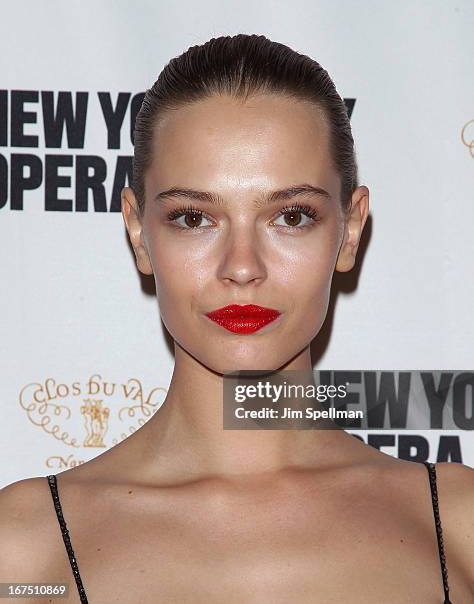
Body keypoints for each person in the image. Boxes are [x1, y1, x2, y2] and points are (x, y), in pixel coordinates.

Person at [1, 34, 473, 604]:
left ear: (348, 231)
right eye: (194, 218)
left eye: (292, 216)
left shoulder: (458, 527)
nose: (242, 267)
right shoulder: (27, 549)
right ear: (139, 232)